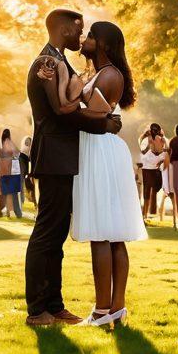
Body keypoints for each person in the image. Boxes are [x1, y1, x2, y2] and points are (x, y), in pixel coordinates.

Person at [38, 20, 146, 326]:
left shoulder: (110, 74)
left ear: (105, 45)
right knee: (109, 235)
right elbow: (73, 102)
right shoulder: (94, 73)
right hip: (95, 148)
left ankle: (104, 309)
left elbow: (92, 114)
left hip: (101, 150)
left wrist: (64, 106)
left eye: (92, 36)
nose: (85, 38)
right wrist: (54, 84)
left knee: (105, 234)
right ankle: (114, 308)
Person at [23, 8, 122, 327]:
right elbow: (62, 112)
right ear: (64, 29)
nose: (81, 36)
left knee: (56, 235)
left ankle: (55, 305)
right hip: (53, 156)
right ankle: (38, 311)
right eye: (78, 30)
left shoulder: (57, 61)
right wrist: (104, 124)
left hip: (62, 157)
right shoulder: (47, 63)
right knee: (46, 233)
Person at [138, 124, 165, 221]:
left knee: (158, 187)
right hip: (147, 168)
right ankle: (144, 214)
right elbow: (143, 151)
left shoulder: (161, 139)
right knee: (147, 191)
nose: (156, 132)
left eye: (157, 130)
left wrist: (161, 160)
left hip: (157, 169)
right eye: (154, 130)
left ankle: (151, 211)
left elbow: (165, 152)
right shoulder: (146, 139)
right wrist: (149, 145)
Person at [0, 129, 23, 218]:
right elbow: (17, 153)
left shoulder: (3, 144)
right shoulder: (9, 143)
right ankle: (12, 211)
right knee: (12, 192)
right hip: (12, 171)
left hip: (5, 170)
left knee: (9, 192)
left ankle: (11, 211)